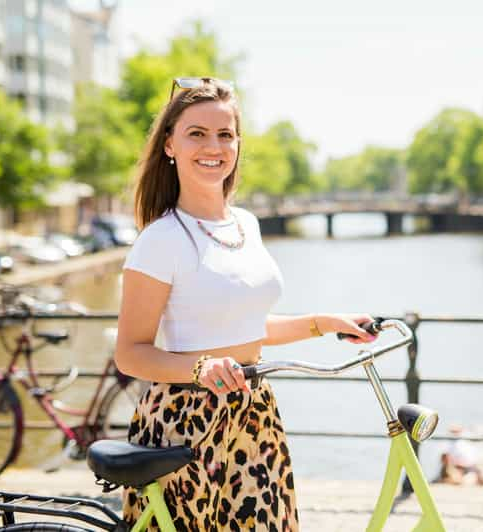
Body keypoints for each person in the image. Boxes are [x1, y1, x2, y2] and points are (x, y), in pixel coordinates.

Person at [114, 77, 377, 532]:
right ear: (170, 145)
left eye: (225, 134)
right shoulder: (161, 239)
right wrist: (202, 369)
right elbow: (131, 352)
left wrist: (324, 322)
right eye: (196, 133)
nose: (212, 145)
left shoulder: (246, 224)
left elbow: (244, 327)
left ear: (237, 144)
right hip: (187, 420)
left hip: (254, 411)